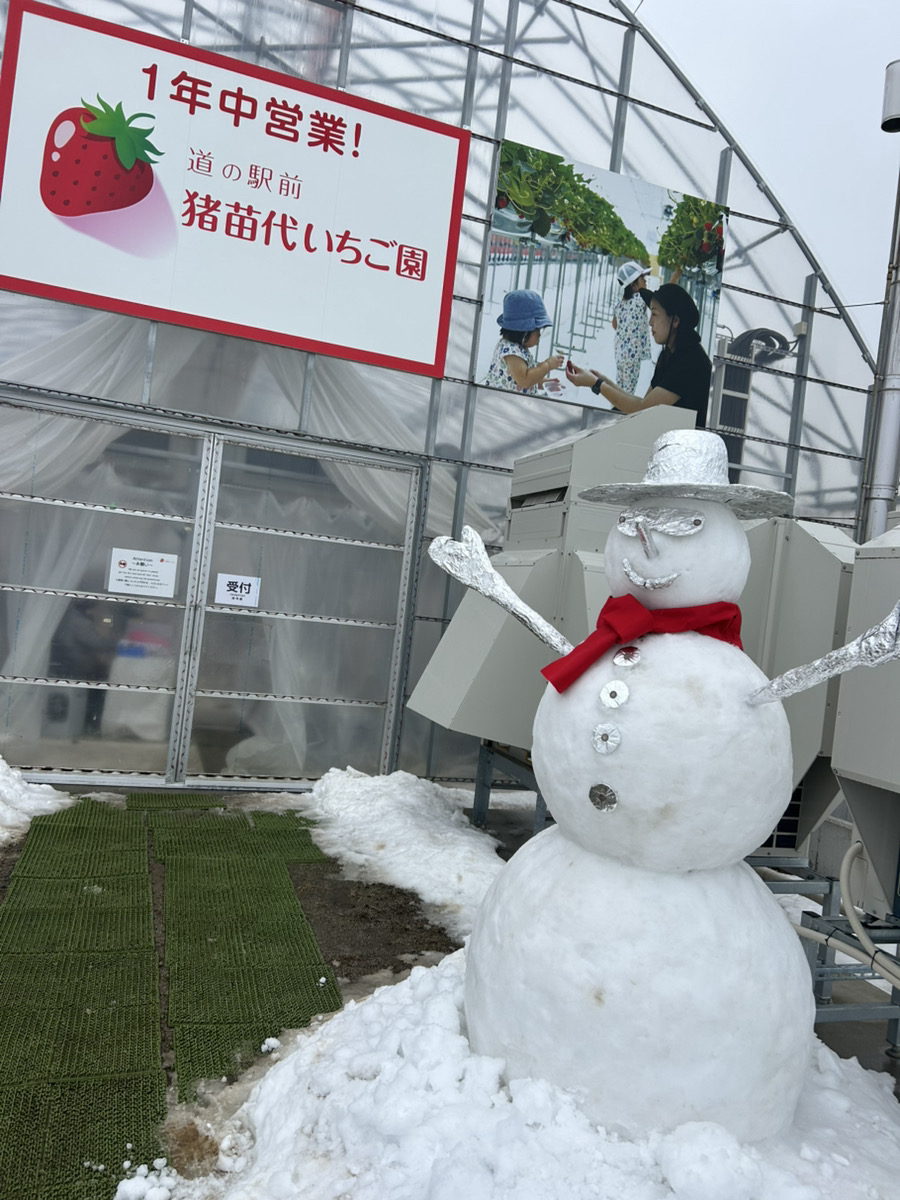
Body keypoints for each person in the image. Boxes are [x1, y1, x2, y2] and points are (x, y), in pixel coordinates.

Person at [565, 282, 711, 428]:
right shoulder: (670, 354)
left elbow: (643, 409)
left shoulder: (689, 361)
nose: (650, 322)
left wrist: (595, 384)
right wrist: (604, 381)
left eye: (654, 314)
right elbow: (644, 402)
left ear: (675, 321)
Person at [485, 289, 565, 395]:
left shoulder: (518, 348)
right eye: (538, 331)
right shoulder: (512, 353)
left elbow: (528, 377)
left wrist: (545, 383)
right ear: (524, 332)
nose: (540, 335)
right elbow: (525, 380)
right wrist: (547, 365)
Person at [611, 261, 652, 392]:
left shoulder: (619, 304)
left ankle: (616, 408)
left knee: (620, 387)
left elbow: (615, 325)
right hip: (632, 356)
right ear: (634, 286)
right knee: (628, 393)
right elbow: (660, 299)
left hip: (620, 353)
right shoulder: (640, 299)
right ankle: (622, 411)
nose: (646, 281)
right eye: (642, 279)